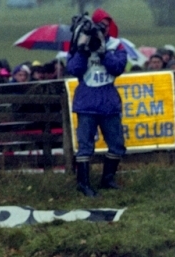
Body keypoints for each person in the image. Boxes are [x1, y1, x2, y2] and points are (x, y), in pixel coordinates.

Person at [66, 8, 127, 197]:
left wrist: (103, 52)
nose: (104, 29)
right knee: (85, 146)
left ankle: (107, 179)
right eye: (101, 26)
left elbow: (118, 68)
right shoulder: (78, 43)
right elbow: (74, 69)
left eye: (106, 26)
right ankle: (83, 184)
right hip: (86, 103)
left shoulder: (117, 45)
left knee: (117, 144)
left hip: (108, 102)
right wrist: (84, 50)